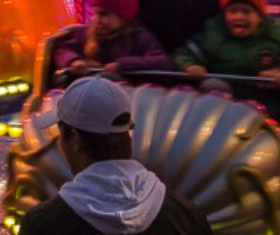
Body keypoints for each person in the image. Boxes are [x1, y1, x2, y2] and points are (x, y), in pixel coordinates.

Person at [21, 76, 212, 235]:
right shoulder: (186, 215)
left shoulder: (42, 224)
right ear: (127, 135)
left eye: (61, 135)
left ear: (74, 138)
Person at [173, 0, 280, 124]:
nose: (239, 17)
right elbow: (184, 54)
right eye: (233, 11)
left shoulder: (276, 39)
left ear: (259, 17)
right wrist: (190, 66)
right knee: (212, 86)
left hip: (264, 102)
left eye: (246, 12)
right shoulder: (212, 36)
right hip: (223, 103)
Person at [53, 0, 168, 75]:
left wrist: (122, 65)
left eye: (103, 14)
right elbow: (63, 50)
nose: (97, 20)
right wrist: (74, 61)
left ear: (122, 16)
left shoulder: (139, 36)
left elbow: (161, 61)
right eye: (95, 13)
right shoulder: (88, 32)